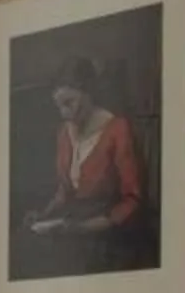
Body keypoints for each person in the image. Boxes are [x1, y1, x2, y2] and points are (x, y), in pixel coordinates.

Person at [25, 57, 145, 235]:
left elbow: (133, 200)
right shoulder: (64, 132)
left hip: (108, 230)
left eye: (69, 102)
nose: (65, 113)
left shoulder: (117, 129)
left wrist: (86, 227)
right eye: (58, 106)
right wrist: (43, 214)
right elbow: (64, 191)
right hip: (71, 222)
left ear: (89, 93)